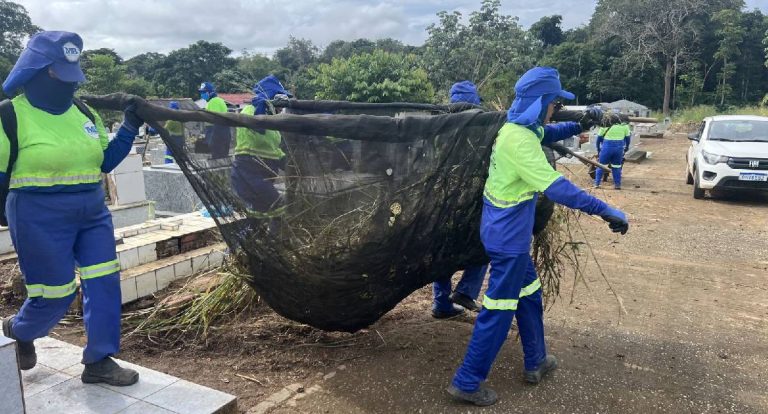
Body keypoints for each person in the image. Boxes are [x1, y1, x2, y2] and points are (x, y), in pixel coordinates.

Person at [447, 67, 629, 406]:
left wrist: (583, 122)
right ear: (542, 101)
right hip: (508, 241)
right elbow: (559, 189)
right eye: (553, 102)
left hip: (505, 234)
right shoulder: (520, 143)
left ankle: (536, 360)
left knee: (530, 293)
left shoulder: (519, 128)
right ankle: (467, 381)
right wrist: (605, 210)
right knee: (498, 310)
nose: (554, 108)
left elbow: (548, 130)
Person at [0, 31, 144, 386]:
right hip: (38, 216)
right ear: (35, 70)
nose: (67, 86)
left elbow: (104, 162)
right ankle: (20, 330)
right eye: (57, 76)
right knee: (55, 293)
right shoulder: (9, 117)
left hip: (92, 213)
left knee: (104, 283)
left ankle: (99, 361)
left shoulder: (85, 112)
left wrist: (128, 128)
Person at [431, 81, 488, 318]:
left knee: (440, 253)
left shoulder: (438, 127)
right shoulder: (484, 128)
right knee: (483, 247)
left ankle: (442, 305)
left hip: (437, 203)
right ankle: (465, 290)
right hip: (466, 204)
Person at [231, 75, 289, 226]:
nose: (281, 108)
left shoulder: (271, 118)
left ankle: (253, 239)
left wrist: (286, 162)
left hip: (261, 173)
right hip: (249, 171)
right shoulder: (250, 111)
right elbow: (257, 136)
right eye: (279, 102)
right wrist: (260, 110)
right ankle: (280, 241)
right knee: (278, 206)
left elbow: (272, 148)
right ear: (270, 97)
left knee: (259, 213)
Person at [198, 82, 231, 159]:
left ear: (209, 92)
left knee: (217, 160)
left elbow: (215, 122)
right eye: (201, 92)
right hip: (223, 134)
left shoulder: (213, 102)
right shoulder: (218, 100)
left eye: (203, 92)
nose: (202, 94)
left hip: (218, 135)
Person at [595, 120, 631, 189]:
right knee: (617, 167)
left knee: (601, 166)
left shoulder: (604, 125)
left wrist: (598, 149)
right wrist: (626, 147)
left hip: (606, 148)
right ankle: (617, 185)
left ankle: (597, 184)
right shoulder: (625, 126)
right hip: (619, 149)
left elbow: (598, 139)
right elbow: (628, 139)